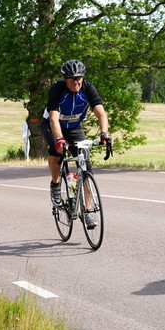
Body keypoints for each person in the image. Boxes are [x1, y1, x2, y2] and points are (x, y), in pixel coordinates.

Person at [42, 60, 112, 228]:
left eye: (79, 78)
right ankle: (55, 184)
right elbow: (53, 117)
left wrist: (105, 134)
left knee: (86, 167)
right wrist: (59, 140)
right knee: (57, 151)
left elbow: (101, 113)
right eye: (72, 79)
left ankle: (87, 212)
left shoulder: (88, 88)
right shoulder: (57, 89)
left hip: (74, 127)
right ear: (64, 78)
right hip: (53, 126)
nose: (76, 82)